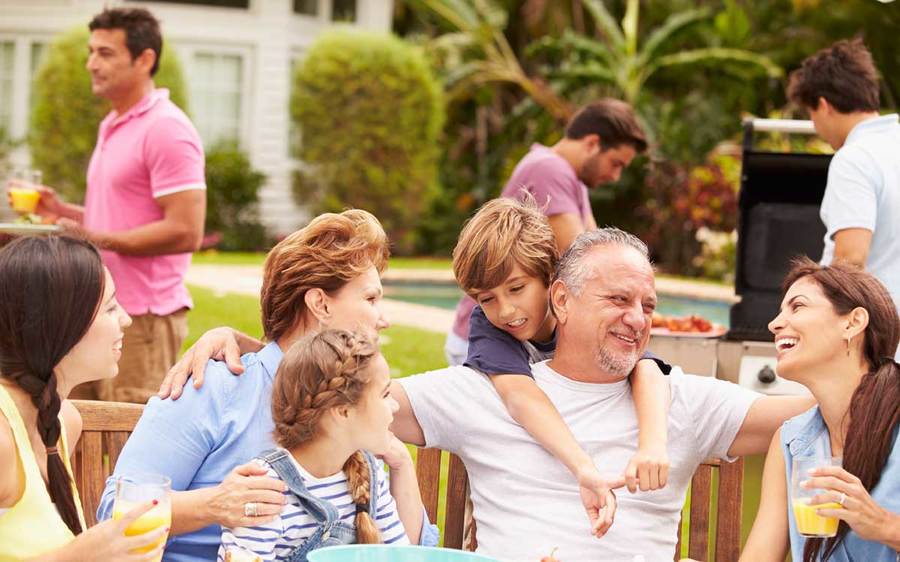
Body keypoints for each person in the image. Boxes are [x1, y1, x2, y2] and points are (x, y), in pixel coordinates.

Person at [390, 228, 816, 561]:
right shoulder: (484, 390)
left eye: (647, 307)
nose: (636, 319)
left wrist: (830, 351)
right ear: (562, 299)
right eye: (617, 299)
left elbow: (832, 413)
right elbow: (345, 400)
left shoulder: (680, 398)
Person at [99, 210, 437, 561]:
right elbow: (116, 511)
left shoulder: (358, 407)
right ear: (320, 303)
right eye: (370, 299)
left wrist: (400, 463)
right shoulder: (214, 387)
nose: (385, 320)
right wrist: (216, 504)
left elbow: (405, 551)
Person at [9, 7, 207, 403]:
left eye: (105, 53)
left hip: (144, 323)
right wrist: (62, 213)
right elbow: (120, 218)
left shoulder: (166, 128)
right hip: (96, 312)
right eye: (91, 52)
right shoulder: (114, 123)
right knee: (81, 437)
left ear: (145, 59)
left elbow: (187, 230)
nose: (91, 64)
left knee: (127, 446)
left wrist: (88, 235)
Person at [451, 197, 670, 535]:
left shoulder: (582, 316)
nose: (506, 310)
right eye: (487, 298)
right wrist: (583, 468)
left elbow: (647, 368)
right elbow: (520, 396)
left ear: (551, 281)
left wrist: (652, 446)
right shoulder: (489, 326)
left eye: (517, 288)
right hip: (523, 474)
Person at [0, 235, 167, 560]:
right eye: (110, 307)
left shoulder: (62, 422)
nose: (126, 319)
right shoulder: (2, 437)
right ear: (60, 324)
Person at [446, 98, 648, 365]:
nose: (615, 176)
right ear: (592, 144)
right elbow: (588, 268)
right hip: (497, 338)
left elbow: (600, 252)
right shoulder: (549, 170)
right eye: (616, 163)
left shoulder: (570, 178)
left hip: (521, 333)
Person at [738, 258, 900, 561]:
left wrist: (884, 526)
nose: (774, 324)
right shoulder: (791, 441)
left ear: (852, 323)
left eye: (797, 307)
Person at [219, 330, 420, 561]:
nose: (394, 406)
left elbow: (400, 558)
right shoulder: (265, 491)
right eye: (385, 395)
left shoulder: (371, 474)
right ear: (343, 412)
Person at [787, 39, 900, 330]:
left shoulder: (854, 159)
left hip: (876, 342)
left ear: (824, 105)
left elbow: (851, 258)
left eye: (811, 115)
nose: (816, 128)